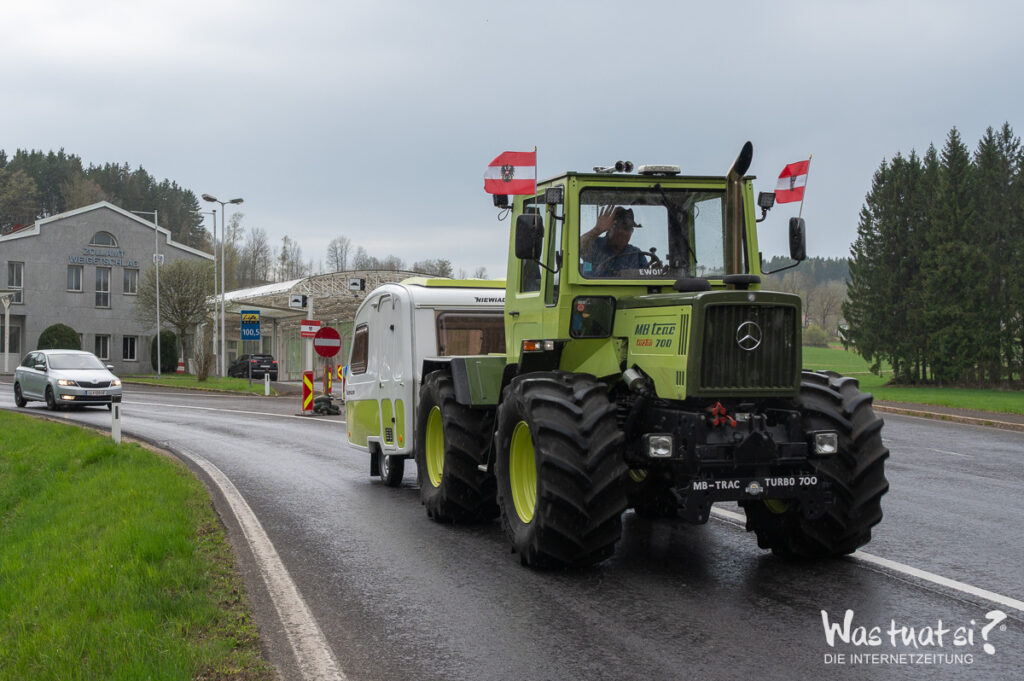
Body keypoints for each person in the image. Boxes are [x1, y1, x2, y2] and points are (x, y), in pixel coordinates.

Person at [580, 206, 648, 276]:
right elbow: (575, 249)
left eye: (629, 229)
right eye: (620, 227)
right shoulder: (594, 245)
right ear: (609, 228)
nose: (625, 233)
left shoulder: (637, 255)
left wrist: (654, 272)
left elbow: (647, 275)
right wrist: (597, 230)